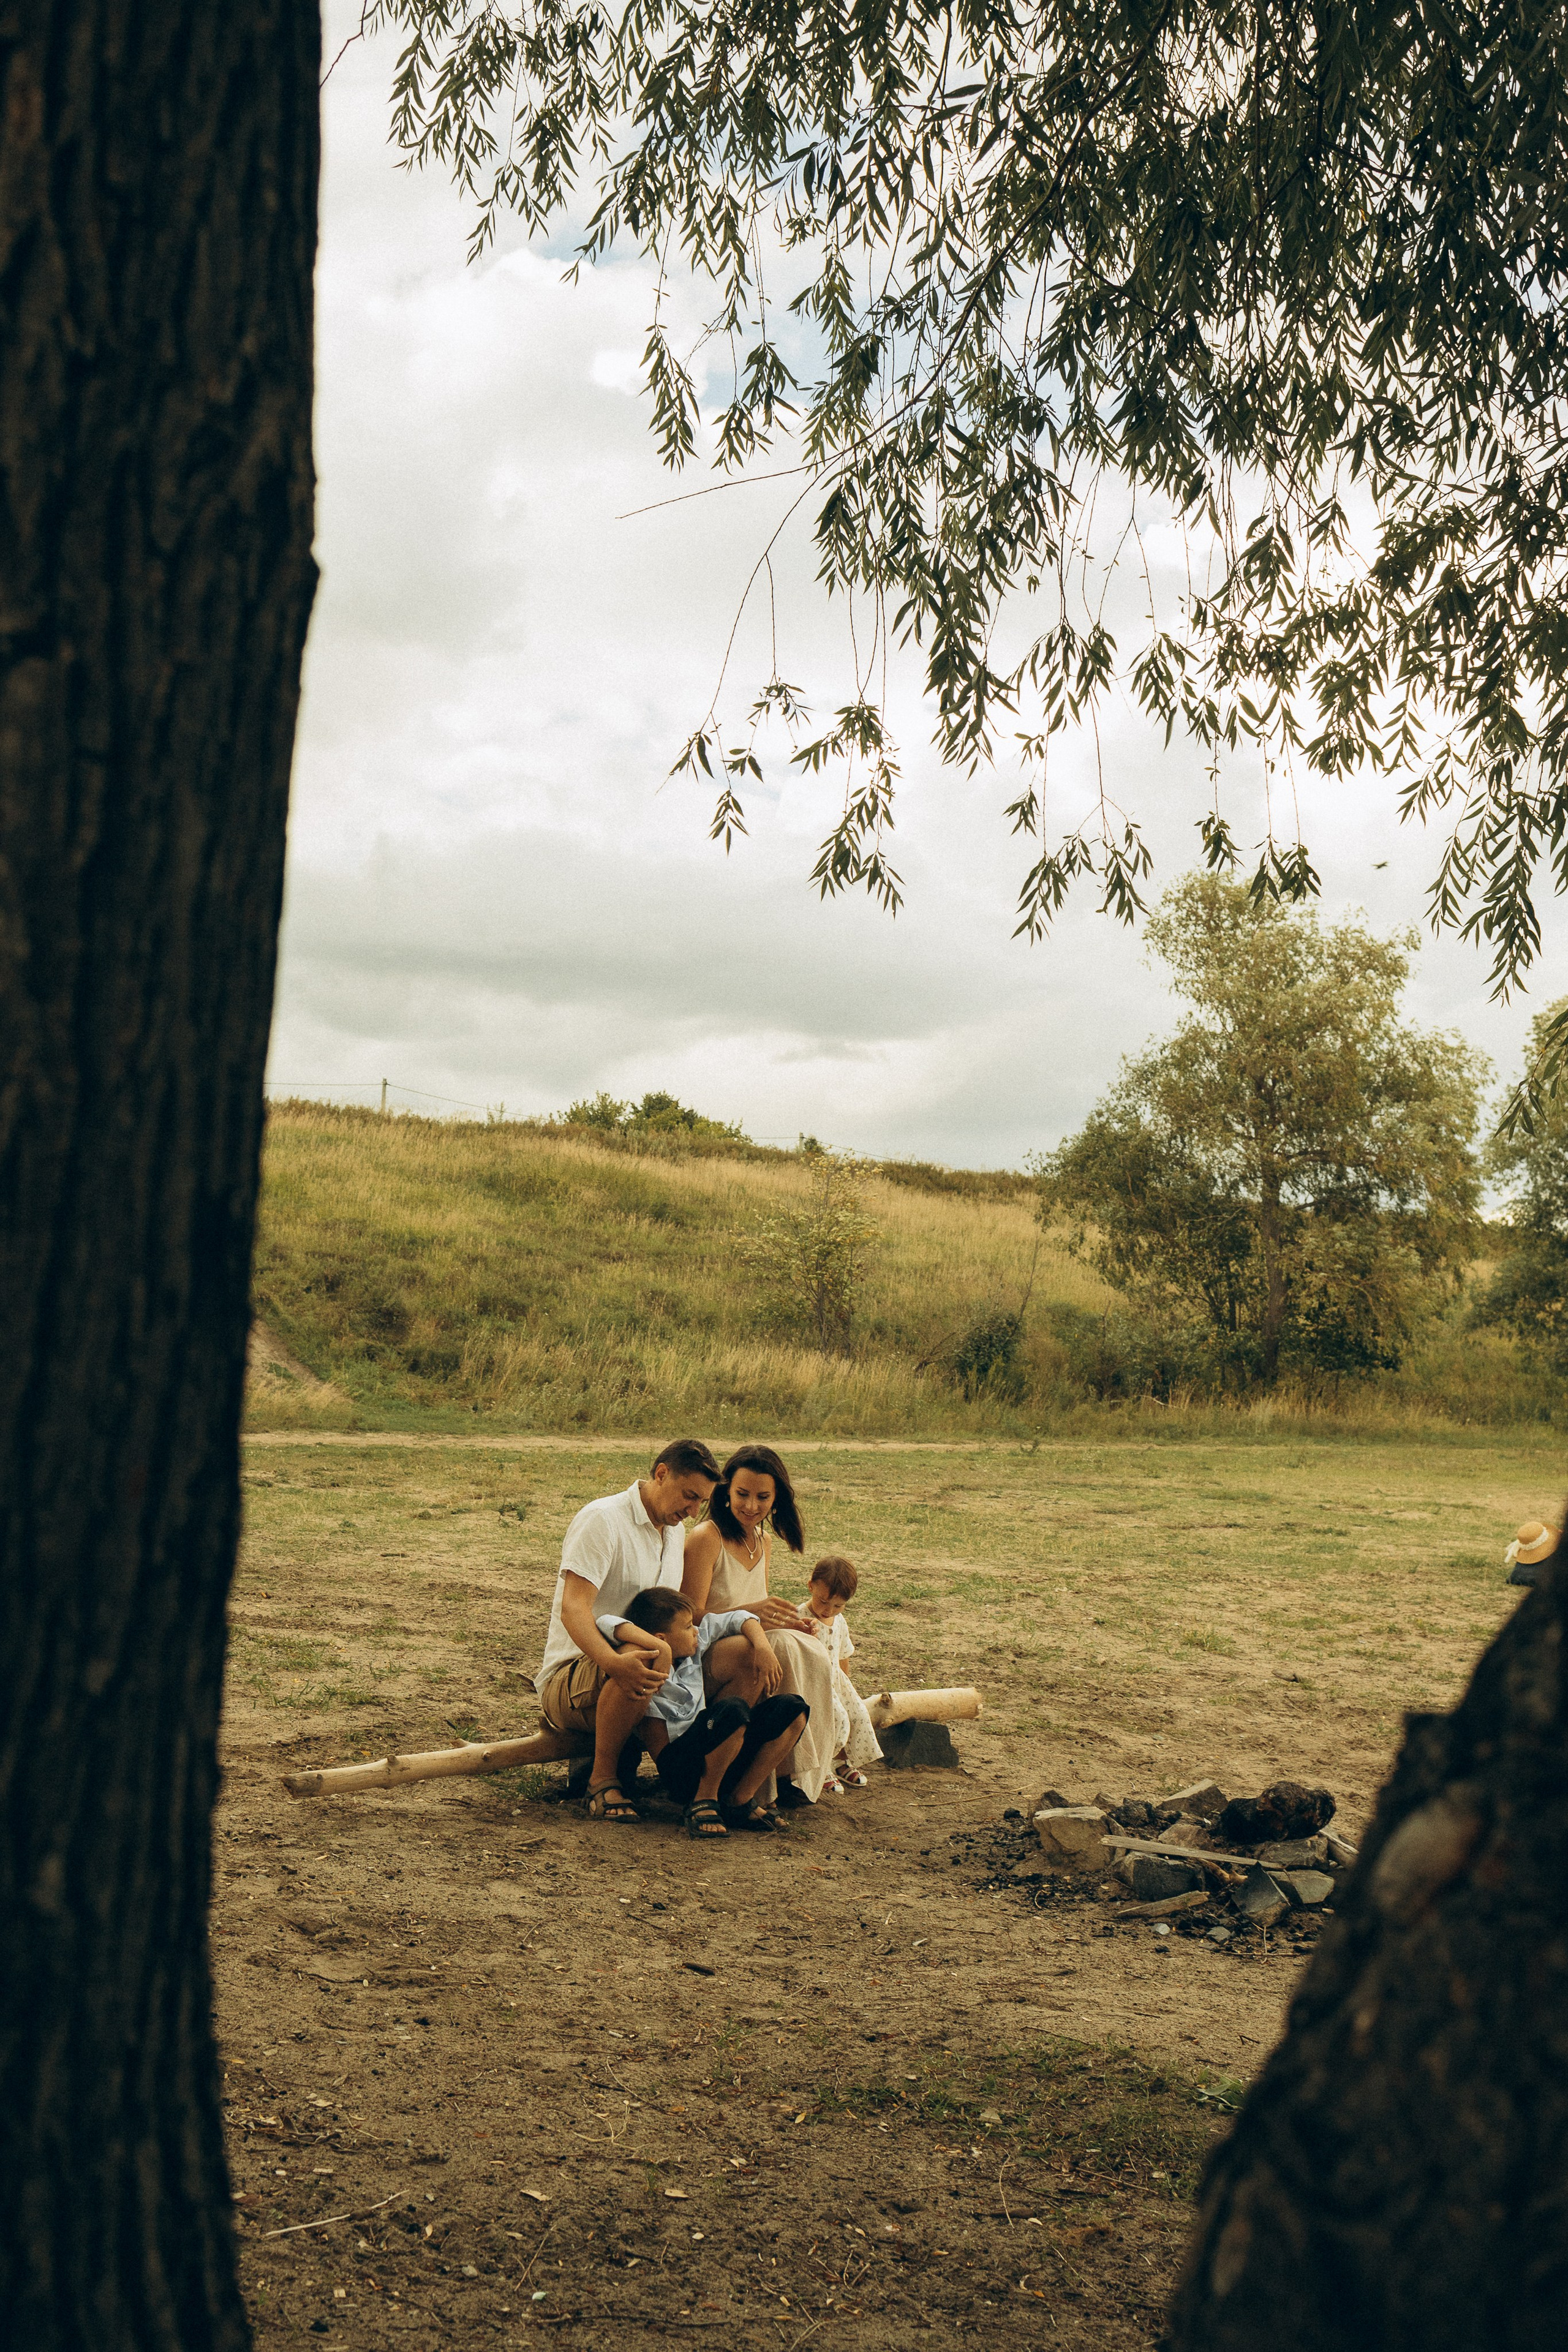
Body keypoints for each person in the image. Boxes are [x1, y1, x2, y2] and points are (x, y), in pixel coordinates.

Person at [535, 1438, 720, 1820]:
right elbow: (574, 1608)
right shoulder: (603, 1519)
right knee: (644, 1657)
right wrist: (613, 1662)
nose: (693, 1509)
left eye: (701, 1501)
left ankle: (713, 1783)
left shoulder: (676, 1532)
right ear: (661, 1473)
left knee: (735, 1655)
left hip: (647, 1671)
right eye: (689, 1496)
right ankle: (601, 1778)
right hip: (576, 1675)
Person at [681, 1444, 836, 1811]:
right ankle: (755, 1773)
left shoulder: (763, 1541)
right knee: (764, 1651)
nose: (751, 1506)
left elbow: (760, 1611)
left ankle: (793, 1769)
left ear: (777, 1497)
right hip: (707, 1655)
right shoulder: (707, 1537)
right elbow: (688, 1618)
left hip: (747, 1641)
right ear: (725, 1492)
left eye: (763, 1497)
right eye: (742, 1494)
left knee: (806, 1646)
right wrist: (753, 1614)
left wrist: (789, 1622)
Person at [598, 1589, 809, 1836]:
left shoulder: (694, 1649)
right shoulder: (647, 1663)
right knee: (733, 1710)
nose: (696, 1630)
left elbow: (740, 1618)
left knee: (793, 1708)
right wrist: (661, 1650)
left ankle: (740, 1799)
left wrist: (763, 1647)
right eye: (688, 1627)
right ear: (661, 1637)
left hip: (714, 1755)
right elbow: (605, 1622)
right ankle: (702, 1800)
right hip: (678, 1767)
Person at [800, 1555, 883, 1789]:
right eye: (823, 1601)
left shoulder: (839, 1622)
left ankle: (841, 1762)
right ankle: (821, 1767)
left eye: (838, 1606)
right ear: (811, 1586)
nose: (829, 1610)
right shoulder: (800, 1618)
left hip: (836, 1681)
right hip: (813, 1683)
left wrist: (847, 1688)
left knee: (856, 1713)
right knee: (837, 1718)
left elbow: (842, 1656)